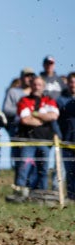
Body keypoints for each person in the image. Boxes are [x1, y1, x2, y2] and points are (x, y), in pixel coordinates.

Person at [12, 75, 60, 196]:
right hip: (28, 140)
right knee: (24, 166)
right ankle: (20, 192)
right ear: (31, 85)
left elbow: (54, 115)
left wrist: (34, 114)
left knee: (43, 169)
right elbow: (25, 119)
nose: (36, 87)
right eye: (34, 84)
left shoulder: (49, 100)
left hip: (45, 141)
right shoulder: (24, 100)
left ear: (43, 87)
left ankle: (41, 193)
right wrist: (43, 118)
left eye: (39, 85)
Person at [56, 72, 75, 201]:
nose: (73, 84)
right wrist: (59, 135)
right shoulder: (61, 101)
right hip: (67, 142)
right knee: (70, 172)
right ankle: (72, 197)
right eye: (71, 82)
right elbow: (56, 121)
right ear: (67, 83)